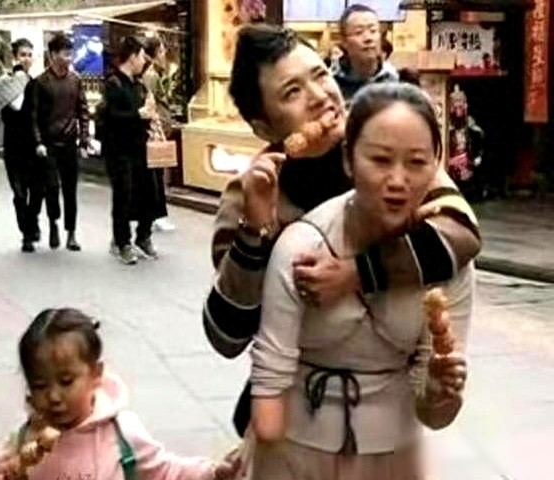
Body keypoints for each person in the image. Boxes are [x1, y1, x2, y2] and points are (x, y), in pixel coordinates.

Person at [202, 24, 480, 436]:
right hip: (295, 410)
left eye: (320, 74)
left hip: (388, 415)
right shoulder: (253, 193)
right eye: (292, 93)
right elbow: (227, 336)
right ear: (263, 127)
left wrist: (356, 273)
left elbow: (461, 232)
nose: (320, 97)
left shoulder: (388, 149)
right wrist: (254, 232)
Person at [249, 82, 472, 479]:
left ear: (436, 165)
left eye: (416, 162)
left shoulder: (447, 261)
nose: (398, 180)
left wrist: (440, 392)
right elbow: (269, 385)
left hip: (395, 457)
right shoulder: (302, 246)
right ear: (348, 160)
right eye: (380, 160)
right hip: (294, 454)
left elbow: (436, 416)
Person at [0, 308, 240, 480]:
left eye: (66, 381)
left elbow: (165, 470)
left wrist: (212, 472)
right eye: (40, 386)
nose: (54, 396)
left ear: (96, 373)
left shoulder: (121, 433)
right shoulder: (24, 440)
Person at [103, 35, 164, 265]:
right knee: (123, 196)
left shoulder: (138, 85)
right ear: (131, 57)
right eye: (141, 56)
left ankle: (143, 235)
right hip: (119, 150)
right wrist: (138, 115)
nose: (143, 61)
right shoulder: (113, 83)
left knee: (150, 193)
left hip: (140, 147)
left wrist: (150, 115)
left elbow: (146, 113)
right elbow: (111, 117)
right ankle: (123, 243)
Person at [30, 32, 90, 252]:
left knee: (70, 190)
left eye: (70, 53)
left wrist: (84, 140)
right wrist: (38, 142)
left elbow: (83, 111)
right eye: (65, 54)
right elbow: (33, 116)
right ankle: (53, 221)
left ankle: (71, 232)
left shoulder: (75, 80)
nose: (69, 58)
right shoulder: (40, 82)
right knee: (52, 187)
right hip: (48, 144)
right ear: (53, 55)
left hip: (69, 142)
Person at [0, 38, 40, 253]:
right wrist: (18, 79)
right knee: (19, 192)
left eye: (29, 55)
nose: (26, 59)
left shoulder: (36, 83)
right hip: (13, 144)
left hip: (32, 145)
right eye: (22, 55)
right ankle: (26, 233)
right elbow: (10, 105)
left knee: (36, 190)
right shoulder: (5, 82)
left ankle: (32, 222)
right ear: (14, 57)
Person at [142, 35, 175, 233]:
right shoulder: (151, 76)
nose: (164, 55)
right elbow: (150, 104)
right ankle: (156, 215)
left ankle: (157, 214)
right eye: (161, 51)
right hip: (156, 130)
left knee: (159, 173)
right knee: (157, 174)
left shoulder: (157, 74)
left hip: (161, 127)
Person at [335, 4, 399, 103]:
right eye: (359, 32)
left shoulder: (395, 80)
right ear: (344, 41)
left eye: (373, 31)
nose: (368, 38)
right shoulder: (331, 81)